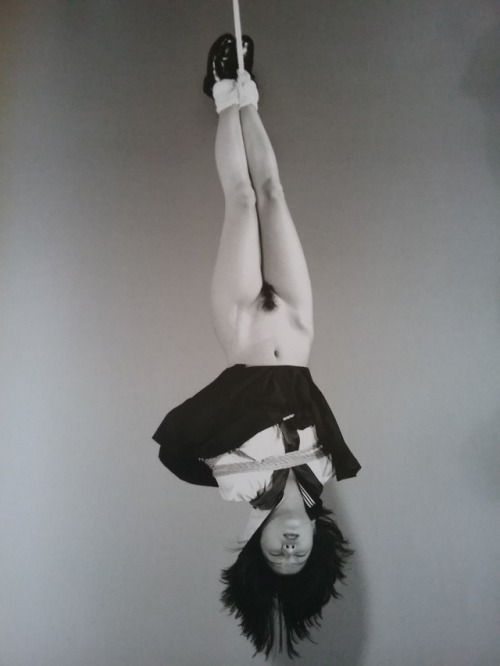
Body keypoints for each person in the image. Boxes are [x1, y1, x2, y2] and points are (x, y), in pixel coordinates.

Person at [153, 34, 361, 658]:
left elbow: (179, 448)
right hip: (297, 332)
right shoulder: (325, 471)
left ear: (256, 546)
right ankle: (250, 95)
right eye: (301, 556)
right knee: (274, 193)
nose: (290, 548)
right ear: (318, 546)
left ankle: (224, 94)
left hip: (242, 331)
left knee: (241, 201)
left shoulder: (236, 486)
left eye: (277, 556)